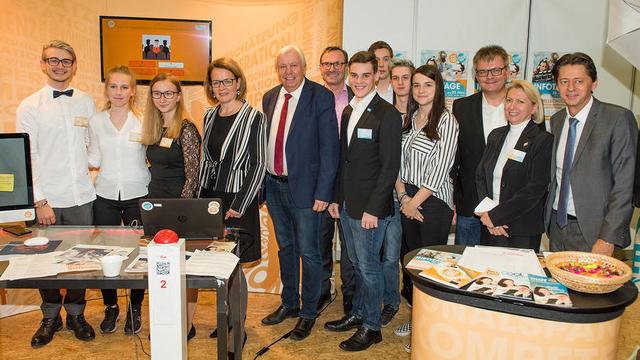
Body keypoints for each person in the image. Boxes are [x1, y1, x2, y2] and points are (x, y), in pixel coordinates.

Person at [16, 40, 96, 348]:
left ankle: (77, 314)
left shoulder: (86, 102)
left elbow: (92, 146)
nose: (60, 65)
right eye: (53, 60)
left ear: (74, 66)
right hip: (47, 200)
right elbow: (28, 156)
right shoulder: (29, 106)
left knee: (82, 261)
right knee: (45, 263)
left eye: (66, 61)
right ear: (43, 63)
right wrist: (40, 201)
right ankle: (49, 317)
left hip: (82, 197)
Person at [260, 45, 339, 341]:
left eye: (293, 66)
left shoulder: (320, 97)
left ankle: (308, 314)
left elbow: (330, 151)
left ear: (304, 68)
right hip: (275, 186)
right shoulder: (270, 97)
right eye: (283, 66)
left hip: (307, 192)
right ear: (277, 69)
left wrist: (324, 192)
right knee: (286, 249)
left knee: (310, 253)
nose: (288, 72)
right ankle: (290, 303)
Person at [324, 50, 402, 352]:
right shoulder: (348, 111)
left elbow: (389, 167)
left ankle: (372, 326)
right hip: (346, 206)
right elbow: (345, 162)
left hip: (371, 209)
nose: (358, 80)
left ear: (377, 75)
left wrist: (373, 208)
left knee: (369, 268)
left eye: (365, 75)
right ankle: (357, 313)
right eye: (353, 75)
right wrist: (336, 199)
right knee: (355, 263)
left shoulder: (387, 114)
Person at [197, 57, 266, 356]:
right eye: (216, 82)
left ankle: (238, 326)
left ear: (238, 82)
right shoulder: (209, 116)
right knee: (216, 266)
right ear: (210, 86)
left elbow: (259, 162)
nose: (222, 87)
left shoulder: (255, 117)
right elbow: (205, 161)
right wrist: (201, 201)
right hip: (212, 200)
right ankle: (225, 320)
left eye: (227, 81)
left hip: (239, 200)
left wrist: (240, 203)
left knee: (235, 267)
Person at [545, 52, 637, 256]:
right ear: (557, 85)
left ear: (594, 83)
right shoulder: (557, 120)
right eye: (564, 81)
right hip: (558, 227)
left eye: (579, 81)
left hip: (596, 232)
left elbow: (625, 184)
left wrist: (608, 237)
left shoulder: (617, 119)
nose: (571, 88)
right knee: (558, 288)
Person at [394, 65, 459, 351]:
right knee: (410, 265)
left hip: (432, 203)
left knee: (429, 269)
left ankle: (428, 329)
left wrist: (412, 202)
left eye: (427, 85)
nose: (420, 90)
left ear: (438, 88)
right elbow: (395, 164)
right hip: (407, 199)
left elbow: (439, 170)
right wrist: (402, 198)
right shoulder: (408, 119)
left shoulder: (447, 121)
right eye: (416, 85)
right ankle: (417, 316)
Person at [87, 65, 150, 335]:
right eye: (113, 86)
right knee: (106, 255)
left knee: (139, 255)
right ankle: (111, 306)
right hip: (106, 196)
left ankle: (135, 308)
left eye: (125, 87)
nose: (119, 92)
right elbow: (94, 159)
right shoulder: (95, 121)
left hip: (138, 195)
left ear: (133, 91)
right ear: (106, 89)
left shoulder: (145, 120)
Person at [141, 72, 201, 338]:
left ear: (178, 96)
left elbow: (193, 174)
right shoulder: (153, 128)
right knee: (159, 267)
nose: (162, 98)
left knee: (184, 270)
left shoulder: (186, 129)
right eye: (157, 93)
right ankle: (164, 321)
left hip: (179, 207)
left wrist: (182, 210)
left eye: (168, 93)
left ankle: (186, 325)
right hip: (154, 204)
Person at [474, 80, 553, 251]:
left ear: (533, 108)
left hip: (520, 229)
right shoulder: (496, 136)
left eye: (520, 101)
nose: (512, 106)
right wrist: (489, 215)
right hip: (489, 225)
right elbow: (480, 176)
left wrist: (497, 216)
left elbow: (534, 189)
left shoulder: (542, 140)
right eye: (509, 100)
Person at [451, 45, 509, 246]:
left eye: (496, 70)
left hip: (510, 205)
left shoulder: (522, 105)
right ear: (476, 76)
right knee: (466, 268)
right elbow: (454, 158)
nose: (489, 76)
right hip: (470, 205)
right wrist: (454, 201)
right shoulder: (461, 107)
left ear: (507, 72)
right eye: (483, 72)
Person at [318, 46, 356, 314]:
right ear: (320, 67)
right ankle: (321, 292)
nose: (332, 68)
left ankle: (350, 297)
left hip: (348, 182)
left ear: (346, 66)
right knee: (318, 242)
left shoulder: (359, 96)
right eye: (326, 64)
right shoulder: (311, 96)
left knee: (350, 246)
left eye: (337, 63)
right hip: (318, 182)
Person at [379, 57, 415, 327]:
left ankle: (418, 310)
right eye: (396, 78)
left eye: (407, 78)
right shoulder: (384, 112)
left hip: (418, 195)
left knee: (413, 254)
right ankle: (390, 303)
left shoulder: (425, 112)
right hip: (390, 193)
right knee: (389, 255)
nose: (401, 83)